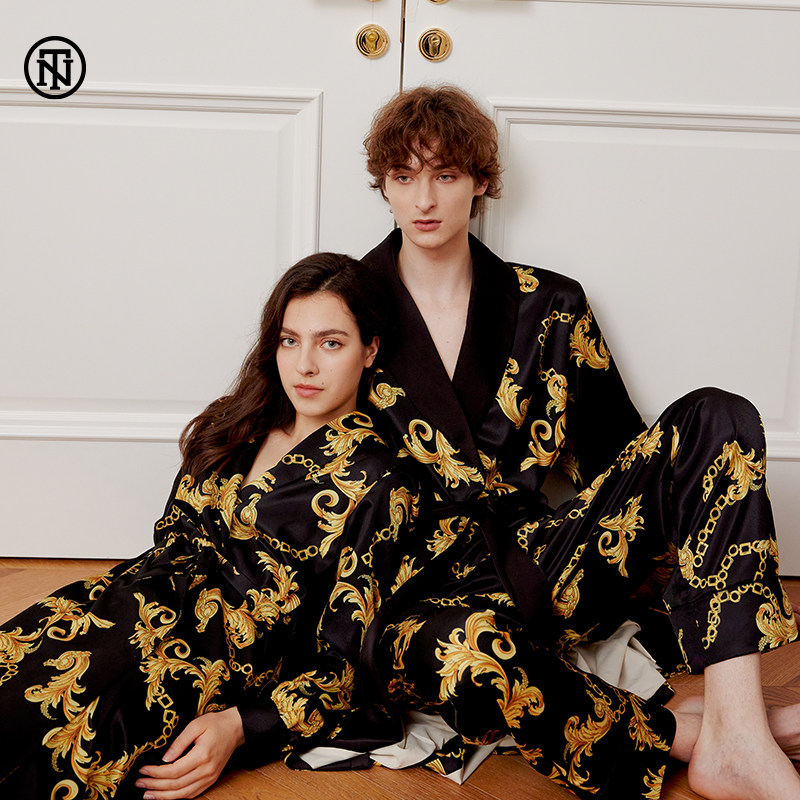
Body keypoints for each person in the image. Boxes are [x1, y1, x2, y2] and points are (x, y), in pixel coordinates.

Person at [357, 85, 800, 800]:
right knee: (471, 658)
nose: (425, 199)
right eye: (404, 177)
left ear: (479, 182)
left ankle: (742, 732)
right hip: (420, 595)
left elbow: (621, 461)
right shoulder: (343, 307)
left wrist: (702, 577)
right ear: (383, 185)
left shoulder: (550, 304)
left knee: (719, 416)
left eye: (446, 174)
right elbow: (282, 448)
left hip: (539, 567)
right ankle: (702, 735)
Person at [0, 253, 426, 800]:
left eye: (331, 343)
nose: (304, 366)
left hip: (205, 669)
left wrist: (240, 726)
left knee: (53, 756)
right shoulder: (234, 420)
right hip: (125, 605)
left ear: (370, 349)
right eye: (289, 340)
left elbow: (345, 661)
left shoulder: (382, 482)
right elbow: (169, 538)